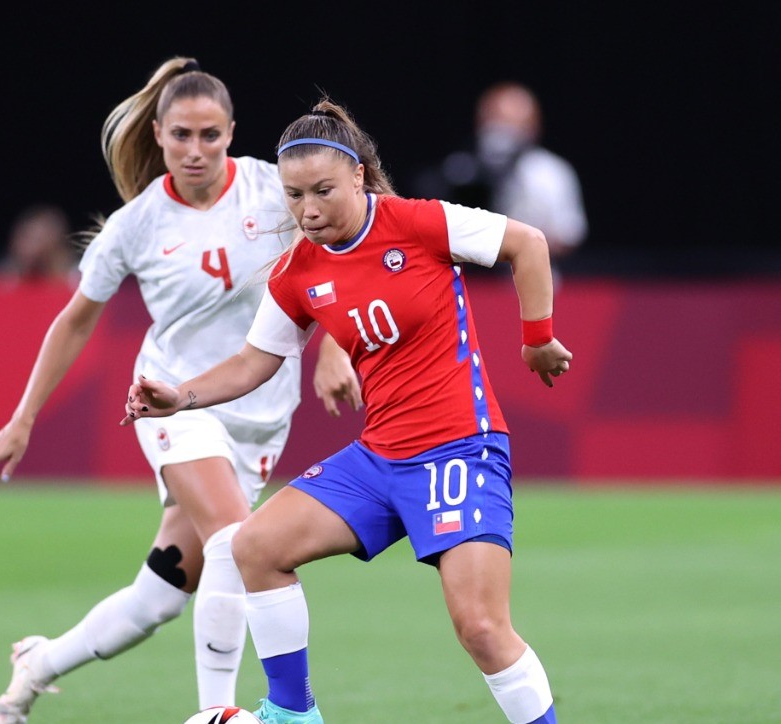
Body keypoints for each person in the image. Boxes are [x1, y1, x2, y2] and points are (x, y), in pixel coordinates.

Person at [123, 98, 572, 724]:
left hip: (459, 450)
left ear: (359, 175)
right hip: (380, 458)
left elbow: (528, 243)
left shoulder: (417, 224)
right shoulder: (298, 272)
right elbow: (255, 362)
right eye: (294, 195)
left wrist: (537, 337)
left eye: (323, 191)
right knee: (256, 546)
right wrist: (182, 395)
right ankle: (292, 714)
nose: (308, 211)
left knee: (481, 627)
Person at [0, 59, 361, 723]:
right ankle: (217, 714)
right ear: (158, 133)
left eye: (210, 134)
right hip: (171, 401)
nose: (196, 150)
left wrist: (335, 348)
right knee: (239, 544)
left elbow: (345, 255)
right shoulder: (137, 225)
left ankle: (38, 665)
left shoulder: (275, 192)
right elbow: (75, 321)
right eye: (181, 135)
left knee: (159, 598)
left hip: (260, 414)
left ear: (232, 132)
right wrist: (22, 418)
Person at [417, 82, 586, 281]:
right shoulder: (459, 169)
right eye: (494, 119)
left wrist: (513, 242)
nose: (500, 130)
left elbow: (569, 234)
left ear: (533, 125)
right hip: (468, 281)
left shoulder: (550, 172)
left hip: (529, 280)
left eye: (511, 121)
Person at [0, 204, 78, 288]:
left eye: (36, 239)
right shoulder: (6, 276)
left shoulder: (77, 278)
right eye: (24, 237)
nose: (26, 246)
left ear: (55, 241)